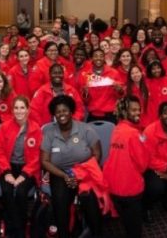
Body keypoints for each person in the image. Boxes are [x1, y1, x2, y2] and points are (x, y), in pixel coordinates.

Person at [40, 95, 103, 238]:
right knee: (59, 200)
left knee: (90, 200)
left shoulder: (86, 129)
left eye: (65, 110)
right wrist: (65, 175)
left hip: (85, 170)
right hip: (60, 173)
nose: (62, 114)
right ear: (54, 115)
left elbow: (97, 154)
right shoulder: (49, 132)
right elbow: (44, 161)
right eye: (58, 112)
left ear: (71, 111)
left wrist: (81, 173)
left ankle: (97, 233)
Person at [0, 96, 42, 238]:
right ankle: (15, 230)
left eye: (22, 108)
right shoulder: (4, 127)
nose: (19, 111)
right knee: (7, 192)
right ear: (12, 110)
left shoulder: (36, 129)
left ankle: (17, 229)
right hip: (7, 167)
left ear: (28, 110)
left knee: (21, 192)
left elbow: (37, 157)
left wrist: (24, 175)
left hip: (28, 169)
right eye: (16, 108)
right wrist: (7, 172)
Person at [103, 96, 149, 238]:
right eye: (133, 110)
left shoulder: (116, 129)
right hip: (130, 188)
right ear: (124, 112)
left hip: (113, 185)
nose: (137, 113)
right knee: (134, 229)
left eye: (139, 109)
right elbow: (143, 164)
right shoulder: (134, 134)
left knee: (125, 219)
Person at [79, 49, 123, 123]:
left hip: (111, 114)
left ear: (104, 58)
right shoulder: (86, 75)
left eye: (101, 56)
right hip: (93, 114)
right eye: (96, 56)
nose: (98, 58)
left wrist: (119, 90)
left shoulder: (114, 73)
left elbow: (120, 95)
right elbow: (85, 100)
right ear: (92, 58)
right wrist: (85, 93)